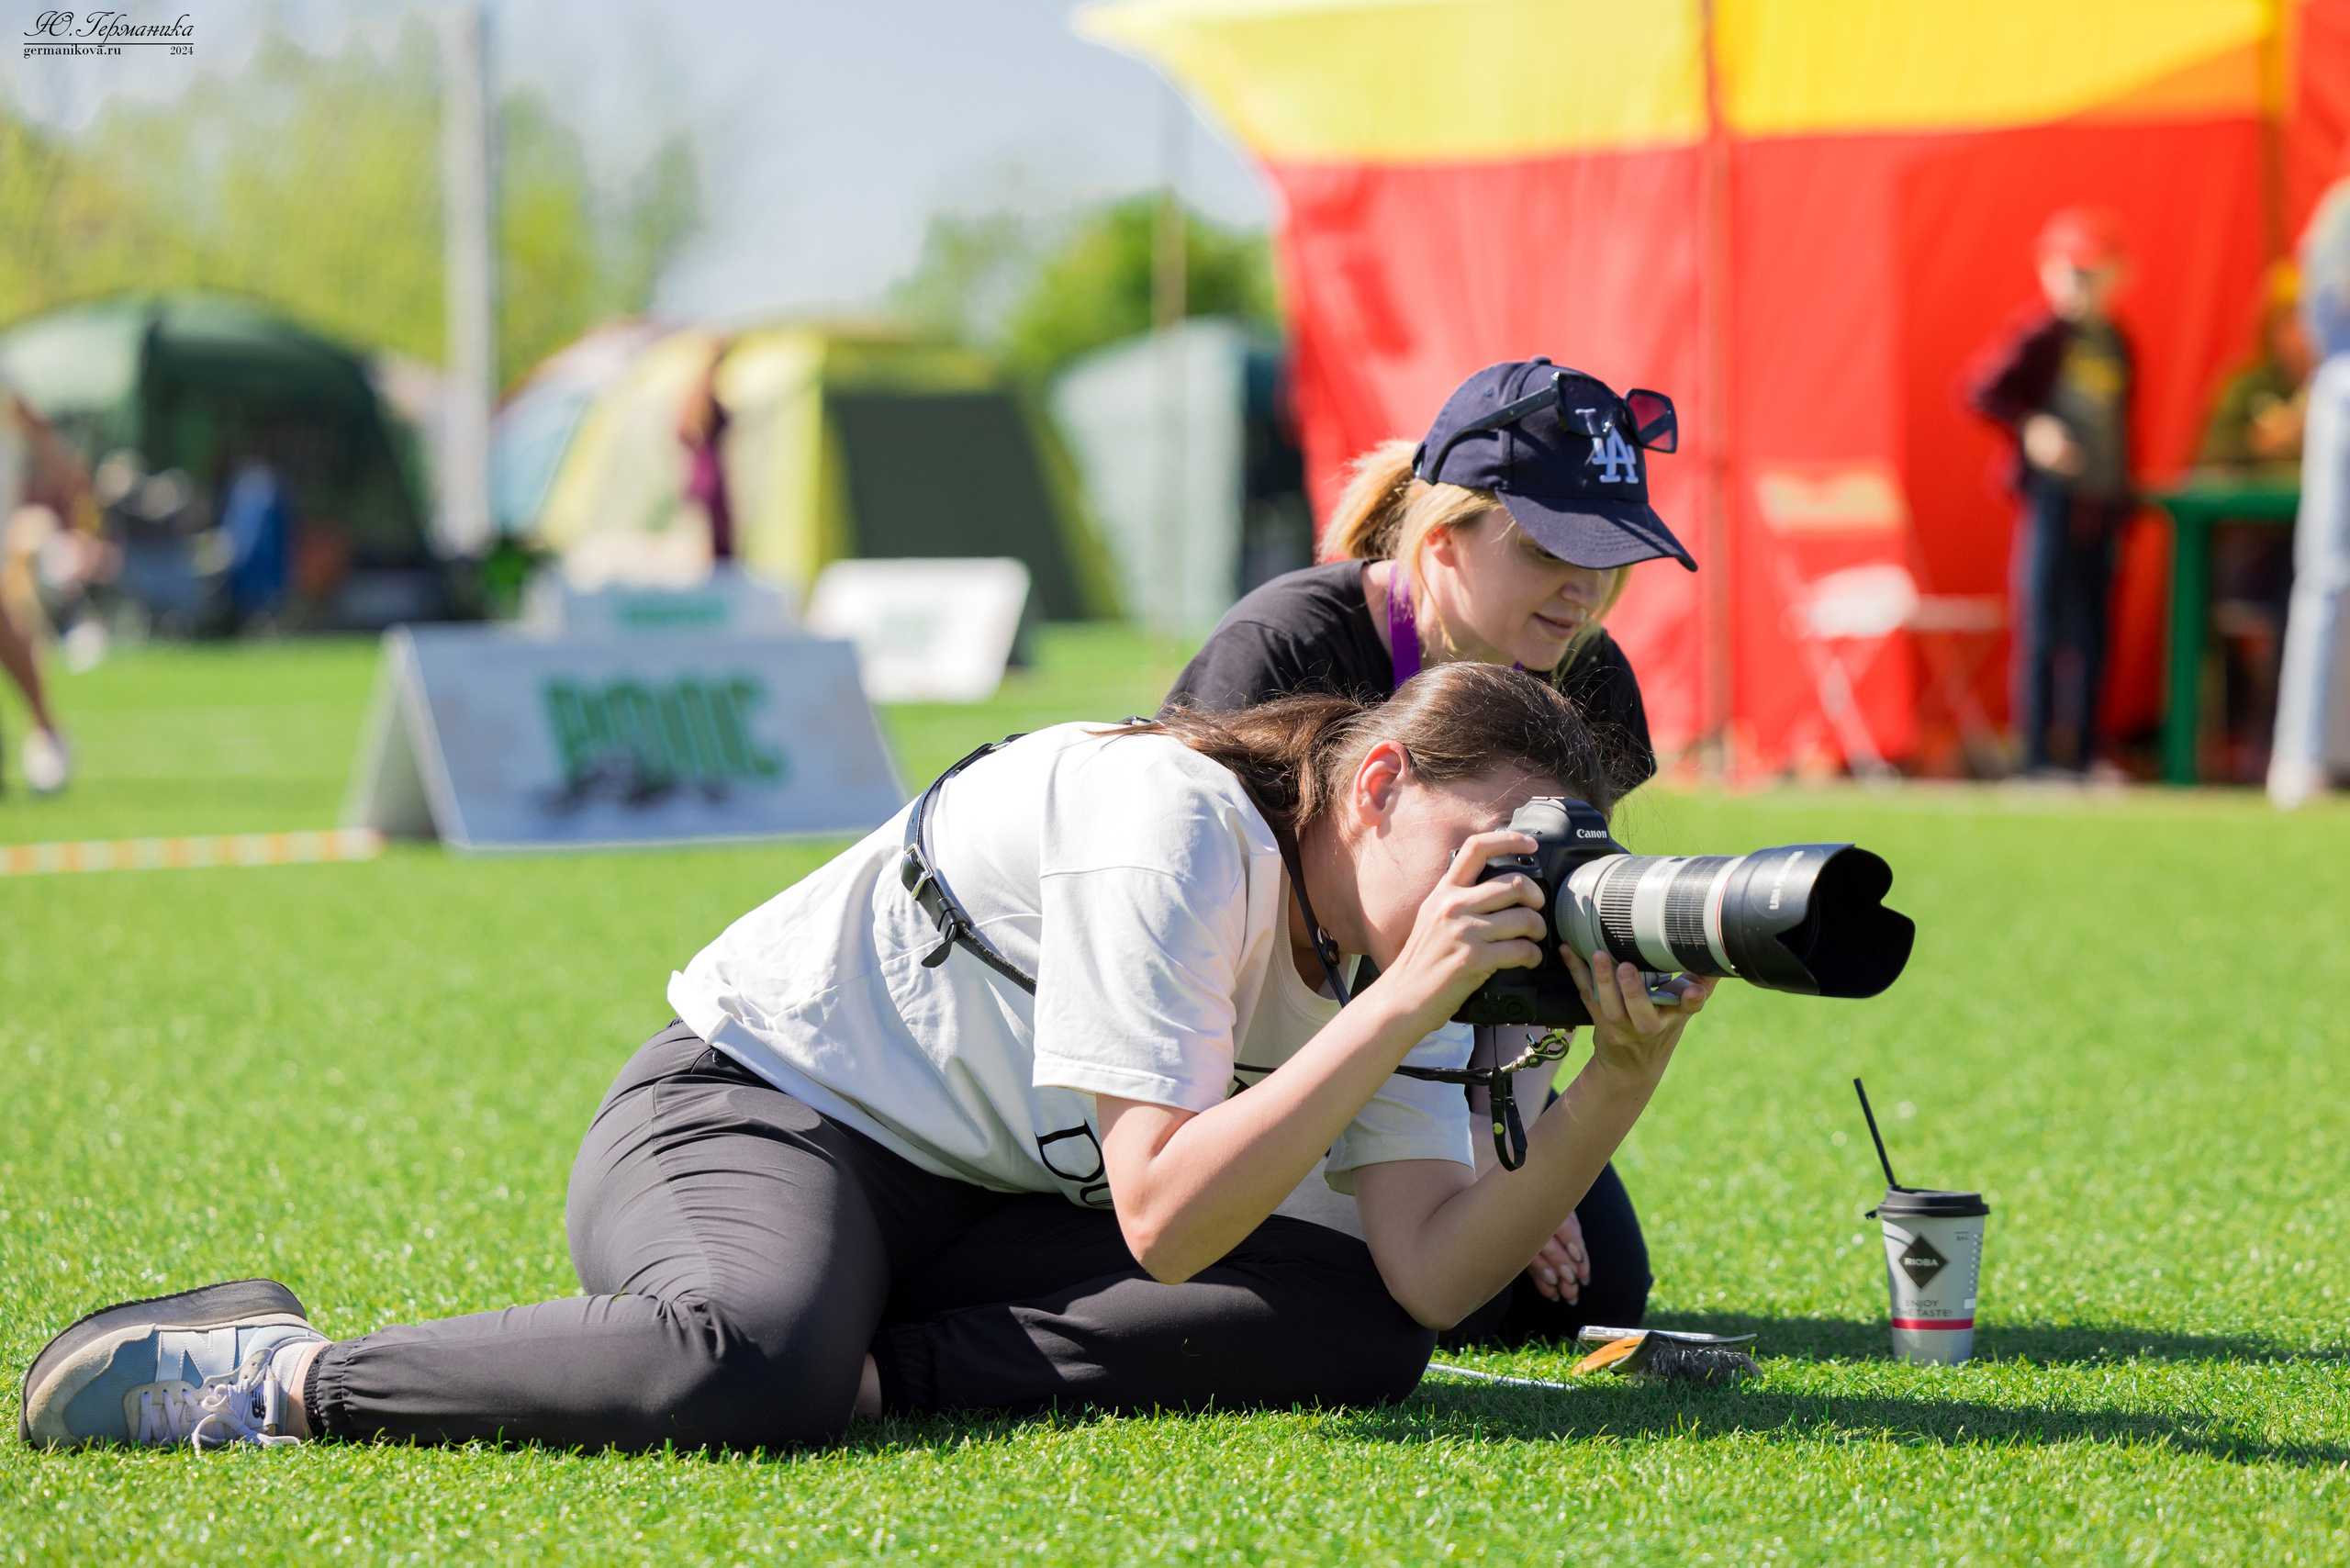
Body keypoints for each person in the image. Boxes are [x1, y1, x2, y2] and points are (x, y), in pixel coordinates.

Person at [22, 663, 1715, 1452]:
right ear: (1370, 787)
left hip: (973, 1192)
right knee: (745, 1358)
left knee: (1348, 1324)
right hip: (756, 1112)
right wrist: (1404, 1003)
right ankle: (271, 1372)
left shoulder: (1403, 948)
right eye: (1487, 843)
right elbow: (1167, 1221)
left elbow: (1427, 1272)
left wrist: (1612, 1087)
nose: (1509, 890)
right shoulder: (1177, 826)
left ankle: (878, 1373)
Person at [1164, 358, 1695, 1349]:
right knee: (1357, 1292)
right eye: (1549, 548)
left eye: (1611, 555)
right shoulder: (1288, 644)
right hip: (1251, 1032)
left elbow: (1548, 942)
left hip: (1447, 1044)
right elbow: (1190, 913)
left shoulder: (1594, 675)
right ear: (1444, 539)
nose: (1584, 591)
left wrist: (1518, 1157)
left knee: (1584, 1292)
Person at [1967, 208, 2137, 779]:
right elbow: (1982, 390)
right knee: (2042, 623)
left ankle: (2085, 753)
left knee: (2095, 628)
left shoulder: (2116, 341)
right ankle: (2038, 758)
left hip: (2102, 501)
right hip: (2053, 501)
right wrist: (2033, 427)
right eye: (2069, 271)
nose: (2081, 285)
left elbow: (2121, 425)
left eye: (2093, 272)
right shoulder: (2039, 333)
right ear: (2048, 274)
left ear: (2116, 276)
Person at [2271, 180, 2350, 807]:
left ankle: (2310, 757)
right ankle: (2304, 758)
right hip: (2345, 386)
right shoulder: (2341, 211)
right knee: (2329, 574)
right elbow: (2322, 314)